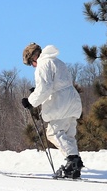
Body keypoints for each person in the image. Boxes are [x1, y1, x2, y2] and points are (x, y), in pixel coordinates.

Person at [22, 42, 84, 178]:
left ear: (34, 57)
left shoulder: (43, 64)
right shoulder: (56, 61)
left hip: (60, 104)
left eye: (31, 63)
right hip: (72, 101)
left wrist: (30, 101)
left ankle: (73, 160)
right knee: (68, 136)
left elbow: (45, 88)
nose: (33, 66)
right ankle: (74, 167)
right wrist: (36, 92)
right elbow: (54, 84)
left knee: (53, 133)